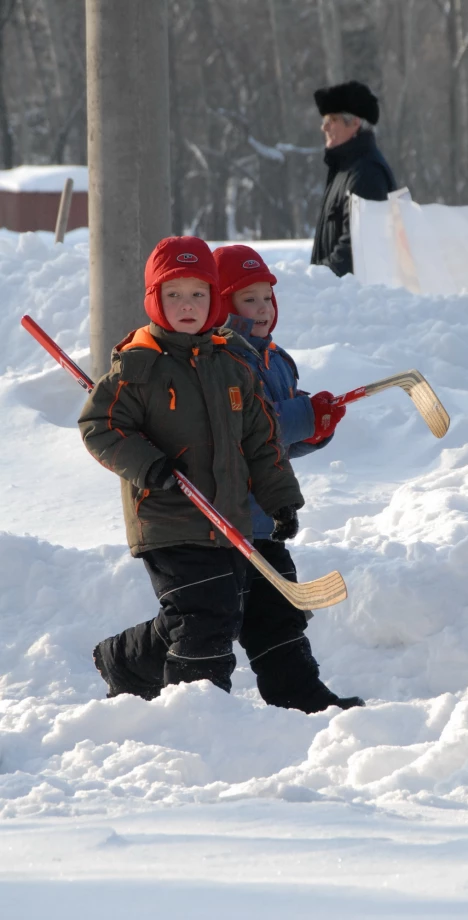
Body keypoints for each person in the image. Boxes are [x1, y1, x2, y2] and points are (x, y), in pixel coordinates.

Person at [80, 236, 304, 701]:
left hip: (225, 516)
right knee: (206, 618)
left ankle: (125, 662)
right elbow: (99, 425)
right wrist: (148, 465)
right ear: (154, 300)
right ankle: (197, 713)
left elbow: (261, 442)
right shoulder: (138, 365)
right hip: (167, 515)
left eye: (198, 293)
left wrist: (281, 499)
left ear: (213, 298)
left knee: (207, 613)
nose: (188, 304)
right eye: (174, 293)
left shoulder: (231, 364)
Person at [213, 243, 365, 713]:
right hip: (220, 519)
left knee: (279, 612)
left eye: (267, 298)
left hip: (263, 514)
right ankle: (150, 676)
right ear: (223, 304)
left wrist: (319, 427)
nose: (262, 309)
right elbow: (247, 429)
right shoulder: (222, 360)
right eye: (248, 299)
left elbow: (276, 443)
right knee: (210, 619)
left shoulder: (276, 359)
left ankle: (301, 695)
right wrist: (303, 414)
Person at [311, 79, 397, 278]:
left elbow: (356, 249)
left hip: (353, 303)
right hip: (338, 299)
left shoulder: (367, 173)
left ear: (355, 122)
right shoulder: (344, 169)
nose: (324, 128)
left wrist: (314, 281)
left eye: (332, 120)